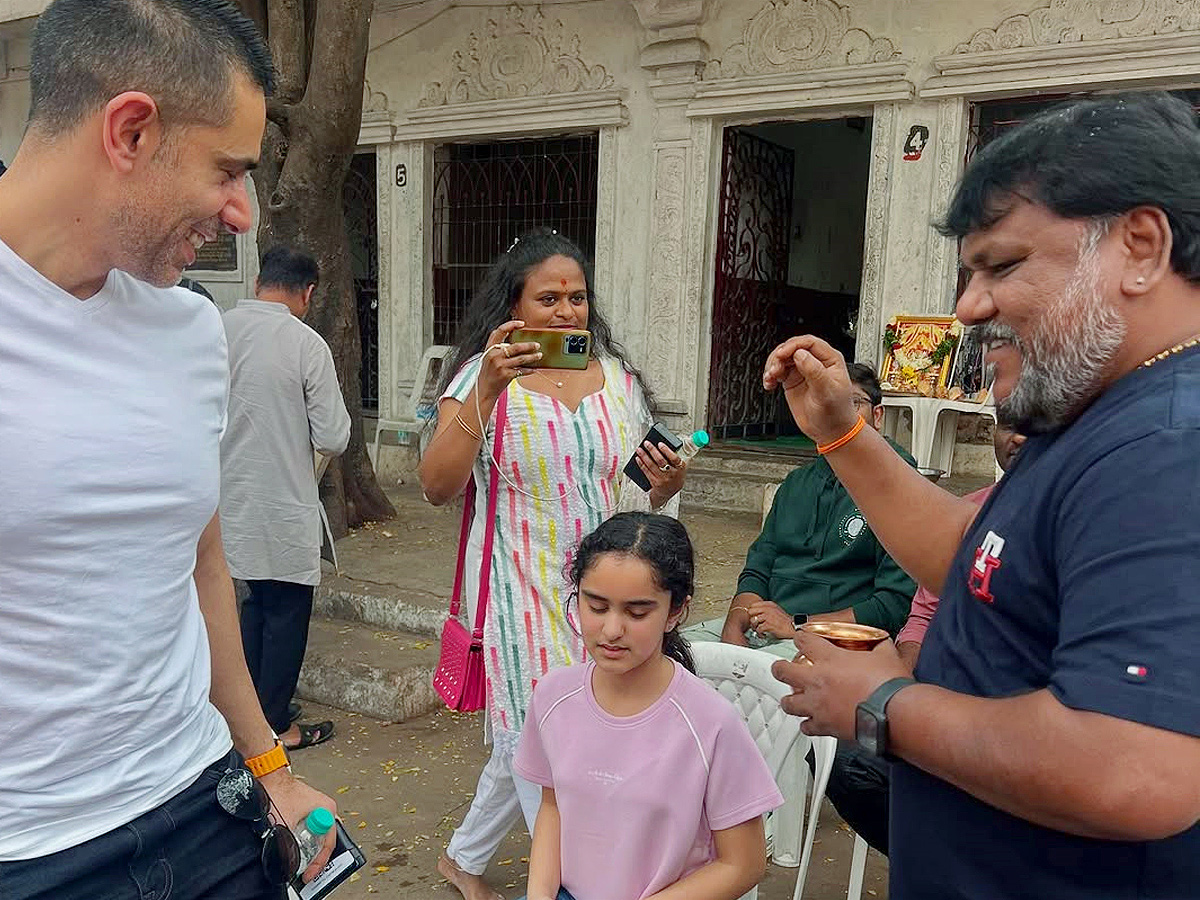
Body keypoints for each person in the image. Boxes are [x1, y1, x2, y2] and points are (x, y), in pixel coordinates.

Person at [765, 91, 1200, 899]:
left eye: (1001, 265)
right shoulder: (1097, 411)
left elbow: (1137, 768)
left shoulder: (1170, 447)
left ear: (1140, 247)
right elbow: (984, 567)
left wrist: (884, 704)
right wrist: (843, 434)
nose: (968, 306)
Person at [0, 1, 337, 896]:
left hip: (205, 805)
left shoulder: (191, 329)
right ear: (132, 131)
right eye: (229, 169)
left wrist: (269, 769)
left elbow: (201, 563)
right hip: (30, 855)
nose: (241, 211)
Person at [420, 228, 690, 900]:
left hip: (606, 595)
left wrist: (664, 486)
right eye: (549, 298)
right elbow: (435, 484)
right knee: (536, 737)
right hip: (521, 590)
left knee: (570, 735)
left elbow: (640, 489)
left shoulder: (618, 381)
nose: (568, 310)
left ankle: (462, 858)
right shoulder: (481, 382)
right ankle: (579, 882)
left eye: (577, 297)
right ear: (514, 306)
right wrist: (485, 389)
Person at [515, 513, 783, 900]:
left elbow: (743, 863)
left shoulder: (711, 724)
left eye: (637, 612)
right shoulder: (553, 698)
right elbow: (553, 807)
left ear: (676, 611)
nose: (611, 630)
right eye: (596, 606)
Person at [824, 422, 1025, 855]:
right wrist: (901, 687)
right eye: (1008, 421)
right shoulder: (963, 517)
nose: (1020, 436)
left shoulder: (1086, 520)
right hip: (933, 704)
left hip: (1007, 728)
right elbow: (921, 615)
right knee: (845, 760)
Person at [221, 245, 350, 752]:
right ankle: (276, 725)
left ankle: (248, 713)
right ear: (308, 292)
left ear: (258, 282)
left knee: (255, 604)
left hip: (227, 498)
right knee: (286, 612)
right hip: (281, 501)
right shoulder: (304, 343)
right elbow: (335, 434)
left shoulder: (217, 332)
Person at [716, 363, 916, 647]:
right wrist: (735, 621)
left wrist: (798, 625)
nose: (836, 414)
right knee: (679, 657)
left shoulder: (897, 483)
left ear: (878, 415)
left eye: (853, 403)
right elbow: (758, 568)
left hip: (837, 639)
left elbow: (893, 605)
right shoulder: (796, 483)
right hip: (765, 629)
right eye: (824, 403)